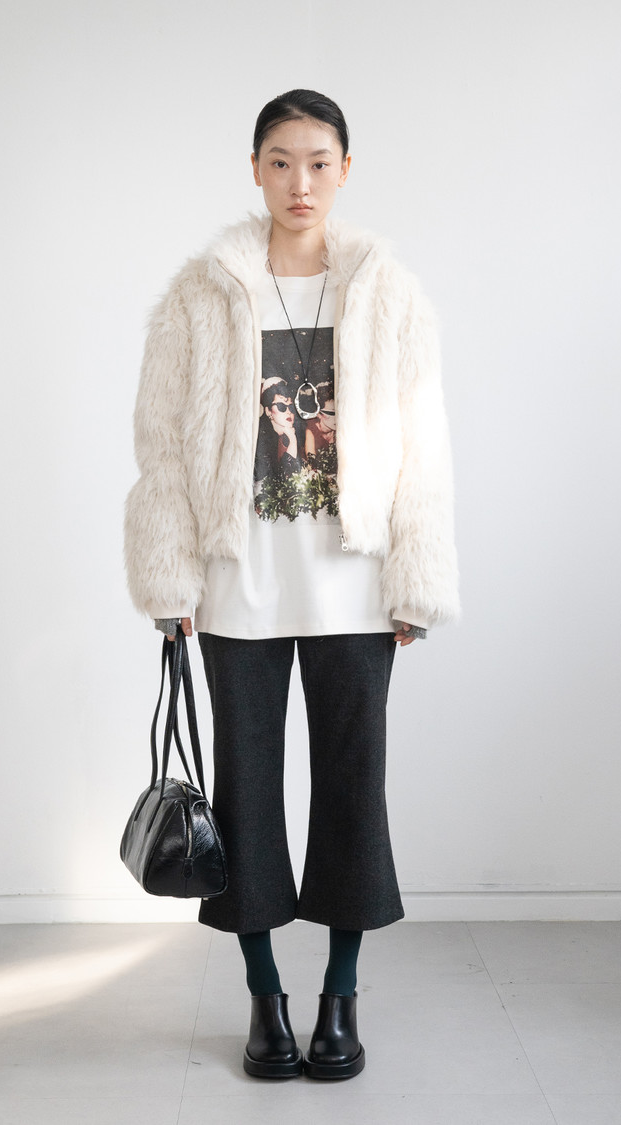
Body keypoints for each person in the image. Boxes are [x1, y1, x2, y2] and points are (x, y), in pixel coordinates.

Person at [124, 89, 459, 1080]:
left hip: (356, 588)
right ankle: (264, 998)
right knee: (247, 797)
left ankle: (340, 998)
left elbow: (424, 451)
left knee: (354, 789)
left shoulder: (390, 295)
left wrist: (415, 576)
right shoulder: (201, 296)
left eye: (318, 162)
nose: (299, 182)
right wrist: (168, 574)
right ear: (256, 170)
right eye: (280, 161)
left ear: (345, 170)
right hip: (240, 588)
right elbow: (161, 446)